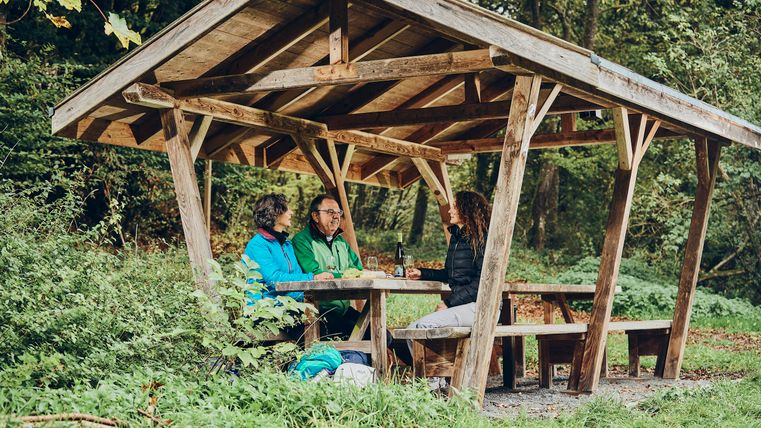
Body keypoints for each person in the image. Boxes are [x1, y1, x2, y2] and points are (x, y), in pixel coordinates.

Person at [403, 191, 493, 379]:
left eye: (454, 206)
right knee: (412, 330)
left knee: (422, 328)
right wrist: (422, 273)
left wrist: (449, 303)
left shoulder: (484, 239)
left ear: (466, 210)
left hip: (482, 308)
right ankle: (436, 380)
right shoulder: (457, 237)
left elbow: (483, 283)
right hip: (463, 305)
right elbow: (452, 275)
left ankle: (434, 383)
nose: (450, 210)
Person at [293, 194, 363, 338]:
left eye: (338, 212)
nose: (336, 216)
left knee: (382, 334)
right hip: (319, 311)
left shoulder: (340, 241)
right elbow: (315, 274)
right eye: (330, 212)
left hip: (343, 309)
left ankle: (418, 361)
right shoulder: (302, 241)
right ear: (315, 216)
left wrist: (354, 274)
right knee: (361, 335)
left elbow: (358, 270)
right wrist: (346, 275)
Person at [243, 193, 333, 304]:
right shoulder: (258, 245)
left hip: (292, 310)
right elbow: (274, 279)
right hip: (265, 313)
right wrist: (313, 277)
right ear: (275, 213)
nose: (291, 212)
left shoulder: (286, 244)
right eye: (287, 209)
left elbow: (296, 274)